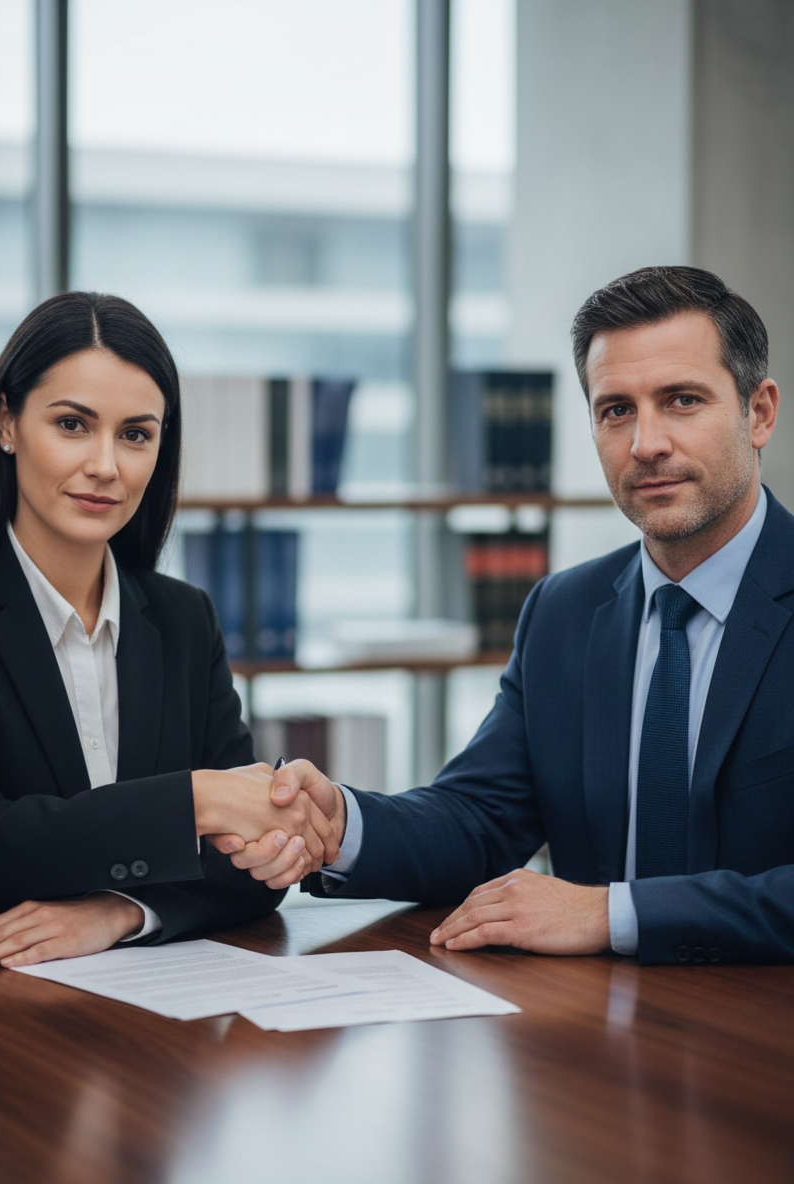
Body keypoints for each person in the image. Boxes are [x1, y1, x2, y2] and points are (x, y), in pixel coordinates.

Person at [217, 266, 794, 965]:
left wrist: (610, 912)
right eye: (616, 410)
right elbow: (481, 819)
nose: (646, 443)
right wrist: (341, 823)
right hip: (590, 1032)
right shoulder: (564, 612)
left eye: (681, 401)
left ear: (758, 413)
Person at [0, 291, 334, 971]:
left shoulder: (182, 618)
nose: (106, 466)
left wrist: (121, 911)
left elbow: (245, 867)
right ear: (7, 422)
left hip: (151, 1016)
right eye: (71, 424)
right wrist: (197, 801)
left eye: (135, 434)